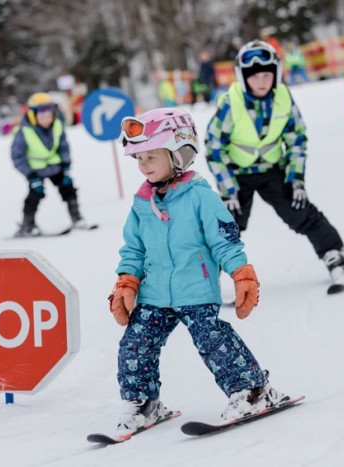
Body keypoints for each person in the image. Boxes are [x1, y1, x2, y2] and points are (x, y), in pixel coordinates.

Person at [110, 106, 291, 434]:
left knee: (213, 340)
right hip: (154, 294)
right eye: (138, 158)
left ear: (179, 154)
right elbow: (133, 248)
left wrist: (241, 273)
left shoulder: (200, 197)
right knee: (135, 343)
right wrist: (127, 280)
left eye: (151, 156)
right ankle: (143, 403)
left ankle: (252, 391)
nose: (143, 165)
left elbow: (225, 241)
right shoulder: (141, 203)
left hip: (195, 288)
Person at [205, 40, 344, 289]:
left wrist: (296, 180)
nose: (261, 82)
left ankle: (334, 254)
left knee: (300, 211)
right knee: (225, 225)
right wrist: (228, 190)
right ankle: (205, 278)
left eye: (266, 75)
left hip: (272, 171)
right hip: (237, 176)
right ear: (243, 77)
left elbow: (296, 140)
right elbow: (214, 146)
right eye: (254, 77)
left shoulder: (283, 99)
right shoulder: (231, 104)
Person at [11, 92, 89, 237]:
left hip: (56, 166)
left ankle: (76, 218)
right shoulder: (24, 131)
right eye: (42, 117)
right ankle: (28, 225)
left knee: (68, 188)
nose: (47, 120)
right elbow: (17, 156)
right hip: (35, 170)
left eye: (49, 116)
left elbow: (63, 146)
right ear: (34, 116)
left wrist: (66, 166)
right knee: (34, 196)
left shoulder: (57, 125)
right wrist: (31, 175)